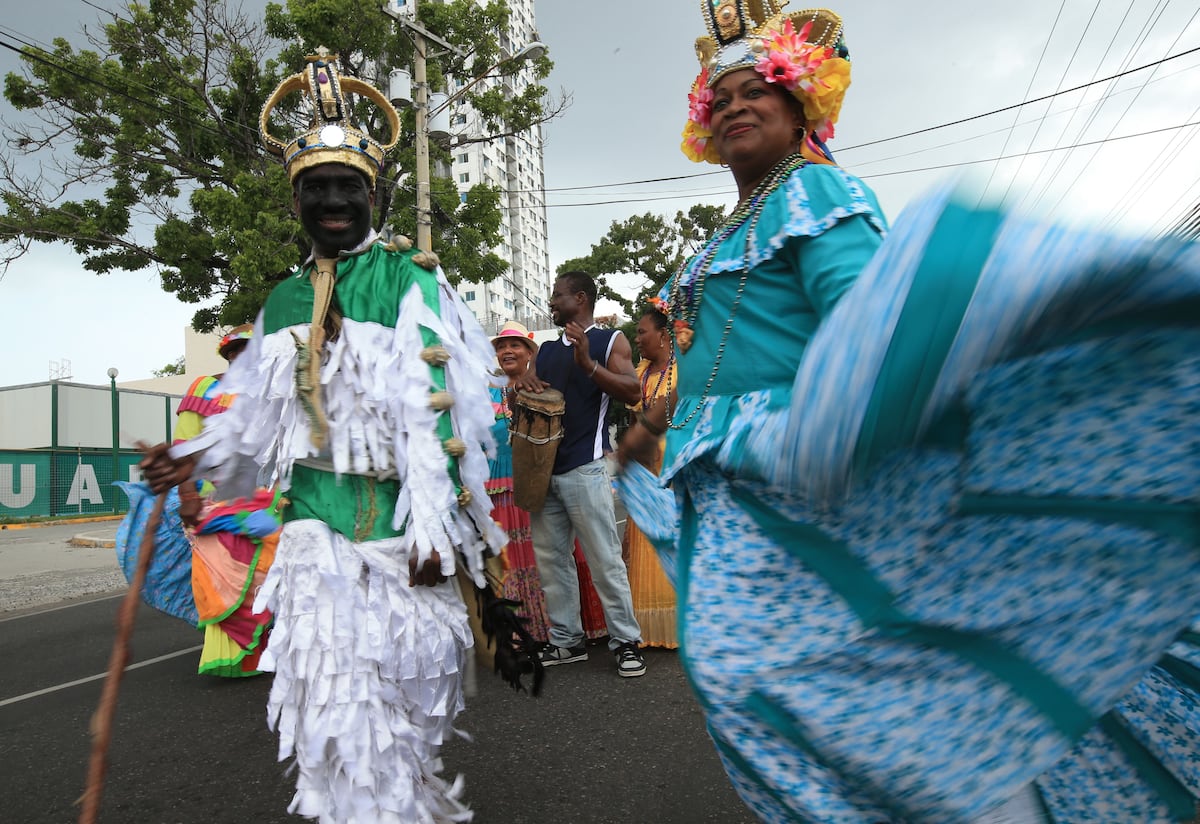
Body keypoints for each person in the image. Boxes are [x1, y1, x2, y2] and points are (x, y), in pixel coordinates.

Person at [617, 4, 1200, 823]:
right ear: (702, 126)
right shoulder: (720, 237)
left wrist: (814, 431)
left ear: (804, 106)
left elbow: (873, 328)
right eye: (723, 100)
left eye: (762, 91)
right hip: (728, 493)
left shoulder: (815, 192)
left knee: (844, 682)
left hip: (802, 477)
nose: (738, 107)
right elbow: (708, 360)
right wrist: (647, 429)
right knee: (773, 690)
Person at [139, 53, 506, 823]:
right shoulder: (279, 299)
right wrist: (190, 460)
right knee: (334, 727)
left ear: (372, 194)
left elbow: (439, 413)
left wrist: (440, 527)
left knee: (404, 731)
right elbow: (248, 425)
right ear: (296, 197)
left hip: (402, 541)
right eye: (316, 188)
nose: (332, 200)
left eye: (347, 187)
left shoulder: (410, 280)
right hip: (312, 546)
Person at [513, 272, 647, 677]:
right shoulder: (548, 349)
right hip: (543, 470)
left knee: (605, 560)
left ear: (581, 299)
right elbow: (527, 395)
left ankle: (626, 641)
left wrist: (589, 364)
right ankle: (566, 641)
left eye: (558, 296)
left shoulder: (610, 341)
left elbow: (632, 391)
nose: (552, 302)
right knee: (553, 562)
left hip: (585, 468)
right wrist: (525, 383)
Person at [486, 320, 608, 644]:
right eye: (501, 346)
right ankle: (524, 630)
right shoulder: (484, 392)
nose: (507, 352)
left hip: (542, 481)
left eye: (514, 345)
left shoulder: (544, 385)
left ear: (529, 352)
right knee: (510, 560)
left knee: (554, 557)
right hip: (499, 490)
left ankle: (568, 629)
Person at [175, 324, 281, 678]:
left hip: (269, 499)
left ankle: (277, 643)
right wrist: (188, 496)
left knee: (274, 575)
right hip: (214, 503)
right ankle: (239, 655)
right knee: (224, 580)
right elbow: (183, 447)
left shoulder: (275, 392)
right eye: (235, 351)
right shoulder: (205, 388)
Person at [622, 306, 677, 648]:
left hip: (674, 463)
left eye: (643, 332)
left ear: (664, 335)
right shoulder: (640, 373)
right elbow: (635, 422)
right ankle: (647, 626)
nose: (638, 338)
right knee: (645, 536)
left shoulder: (684, 371)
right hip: (645, 466)